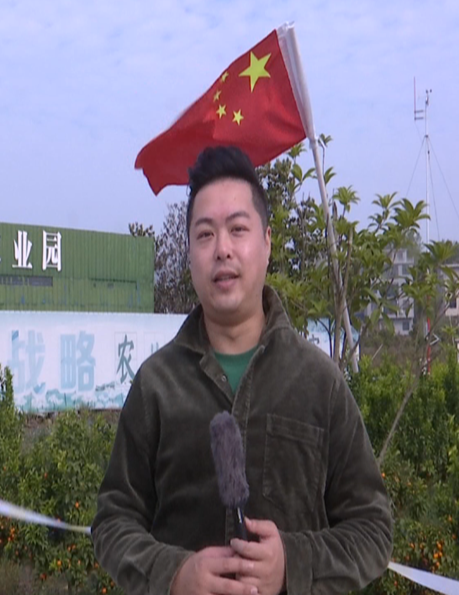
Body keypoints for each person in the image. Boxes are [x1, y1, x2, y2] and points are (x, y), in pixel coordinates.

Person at [92, 146, 393, 595]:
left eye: (238, 229)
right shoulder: (157, 385)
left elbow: (372, 530)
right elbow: (113, 522)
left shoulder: (319, 382)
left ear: (267, 242)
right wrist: (174, 574)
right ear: (189, 253)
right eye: (205, 234)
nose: (223, 249)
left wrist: (293, 563)